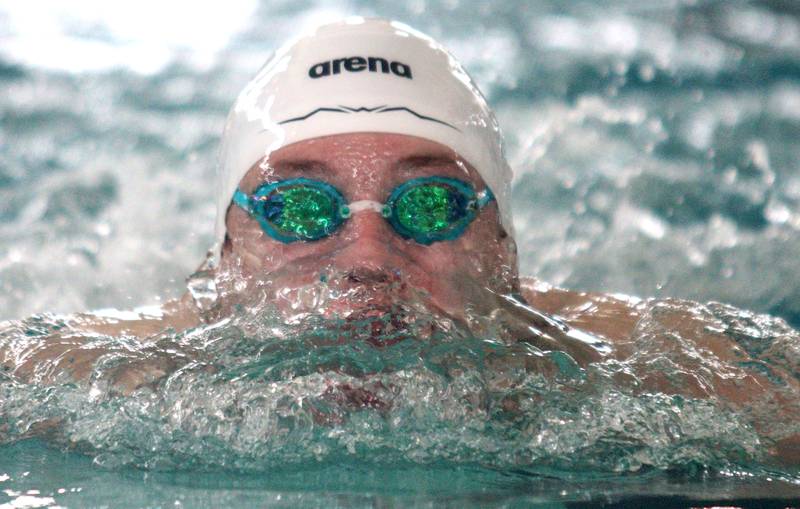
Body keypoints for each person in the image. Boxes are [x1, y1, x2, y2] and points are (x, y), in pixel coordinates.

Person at [2, 17, 799, 464]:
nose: (367, 259)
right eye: (301, 209)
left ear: (506, 259)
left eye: (430, 205)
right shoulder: (100, 372)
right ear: (223, 265)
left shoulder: (663, 368)